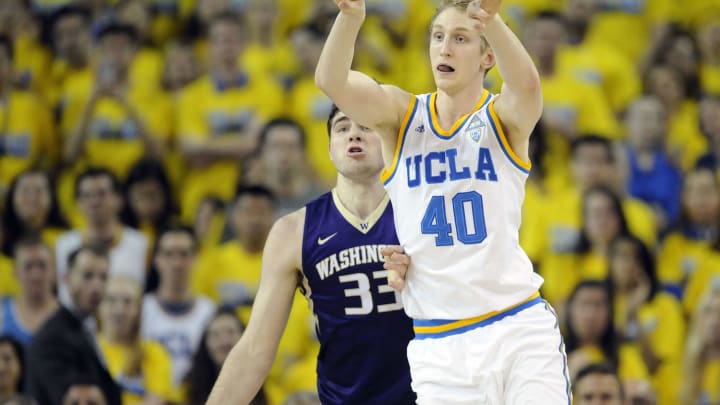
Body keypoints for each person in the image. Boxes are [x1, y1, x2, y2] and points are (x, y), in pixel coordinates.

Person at [315, 0, 569, 402]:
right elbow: (332, 81)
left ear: (487, 56)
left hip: (517, 327)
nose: (444, 49)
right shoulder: (401, 115)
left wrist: (493, 21)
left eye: (460, 38)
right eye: (437, 37)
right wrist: (350, 18)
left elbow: (528, 86)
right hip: (441, 341)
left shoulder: (503, 118)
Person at [205, 107, 415, 404]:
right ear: (330, 148)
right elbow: (255, 350)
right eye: (342, 128)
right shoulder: (293, 230)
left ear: (391, 138)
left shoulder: (423, 216)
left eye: (366, 125)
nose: (353, 133)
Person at [25, 245, 122, 405]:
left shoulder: (86, 327)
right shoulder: (52, 339)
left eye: (103, 277)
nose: (97, 287)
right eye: (87, 276)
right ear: (67, 278)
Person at [141, 226, 215, 389]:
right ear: (156, 259)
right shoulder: (141, 310)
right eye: (169, 254)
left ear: (195, 258)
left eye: (184, 254)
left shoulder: (210, 312)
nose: (177, 263)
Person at [183, 308, 266, 405]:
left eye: (230, 332)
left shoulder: (266, 386)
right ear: (205, 343)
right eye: (215, 335)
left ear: (244, 337)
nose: (224, 342)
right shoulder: (188, 390)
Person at [0, 238, 58, 345]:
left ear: (53, 270)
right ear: (15, 272)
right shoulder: (2, 314)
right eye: (28, 266)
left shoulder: (69, 315)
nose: (36, 275)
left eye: (42, 265)